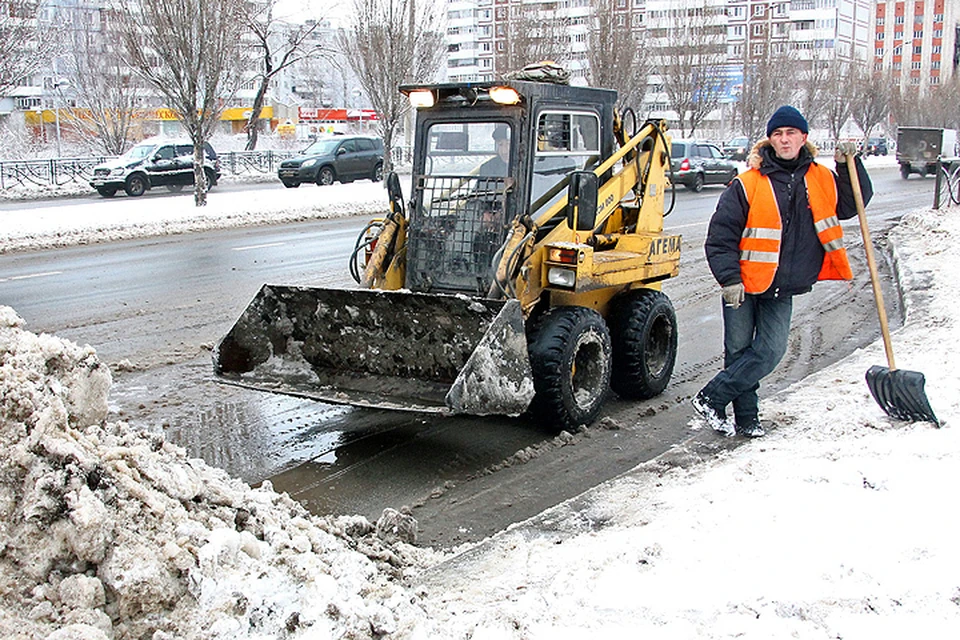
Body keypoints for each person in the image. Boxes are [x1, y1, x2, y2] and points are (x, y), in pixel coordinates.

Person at [692, 105, 873, 437]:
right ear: (770, 140)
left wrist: (851, 166)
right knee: (739, 351)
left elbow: (852, 204)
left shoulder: (820, 178)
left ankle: (711, 397)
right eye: (778, 134)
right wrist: (729, 278)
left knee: (770, 351)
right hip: (743, 284)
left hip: (783, 284)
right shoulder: (747, 183)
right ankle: (747, 420)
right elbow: (720, 236)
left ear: (803, 137)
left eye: (791, 133)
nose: (785, 139)